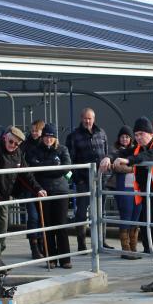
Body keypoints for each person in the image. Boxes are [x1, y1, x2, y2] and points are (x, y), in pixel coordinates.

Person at [105, 117, 153, 293]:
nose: (138, 138)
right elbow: (122, 153)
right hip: (152, 199)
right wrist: (108, 158)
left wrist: (130, 161)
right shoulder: (139, 148)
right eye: (137, 134)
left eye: (142, 134)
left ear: (150, 133)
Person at [0, 127, 47, 267]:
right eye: (11, 142)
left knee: (3, 227)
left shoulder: (17, 153)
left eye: (17, 144)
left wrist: (38, 188)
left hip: (4, 195)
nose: (13, 146)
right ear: (5, 137)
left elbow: (26, 173)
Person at [25, 123, 73, 268]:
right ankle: (51, 258)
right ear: (42, 137)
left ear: (55, 137)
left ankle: (65, 259)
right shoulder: (34, 150)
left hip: (61, 191)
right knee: (47, 225)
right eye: (46, 136)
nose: (48, 139)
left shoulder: (62, 149)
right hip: (43, 191)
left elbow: (66, 168)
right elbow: (33, 167)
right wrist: (53, 164)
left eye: (51, 137)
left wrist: (45, 167)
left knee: (61, 225)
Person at [65, 108, 109, 252]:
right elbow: (70, 160)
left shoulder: (101, 133)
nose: (87, 121)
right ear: (81, 118)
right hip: (83, 180)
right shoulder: (73, 136)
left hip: (100, 179)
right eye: (85, 118)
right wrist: (78, 179)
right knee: (81, 213)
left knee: (100, 212)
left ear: (94, 119)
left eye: (90, 118)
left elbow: (106, 154)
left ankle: (102, 242)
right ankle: (82, 244)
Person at [110, 127, 142, 259]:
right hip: (123, 189)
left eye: (127, 137)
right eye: (122, 137)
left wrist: (129, 166)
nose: (125, 139)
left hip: (136, 189)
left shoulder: (136, 150)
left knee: (136, 216)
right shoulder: (115, 151)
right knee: (126, 216)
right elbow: (117, 167)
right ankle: (126, 249)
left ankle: (133, 247)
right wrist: (134, 167)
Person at [22, 119, 45, 259]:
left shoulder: (47, 143)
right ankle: (34, 247)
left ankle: (43, 244)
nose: (34, 133)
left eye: (36, 131)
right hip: (29, 185)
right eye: (32, 131)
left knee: (43, 217)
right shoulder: (25, 145)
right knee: (33, 217)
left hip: (43, 184)